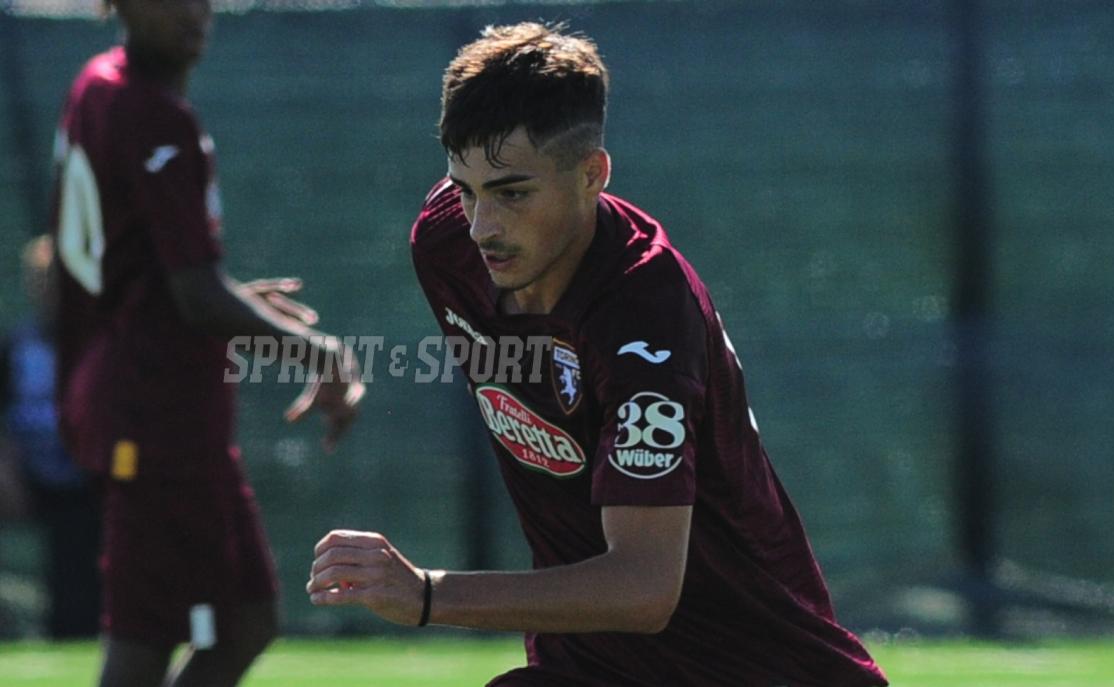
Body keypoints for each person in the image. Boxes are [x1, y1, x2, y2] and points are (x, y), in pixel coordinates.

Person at [308, 22, 887, 687]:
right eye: (465, 189)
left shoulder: (644, 319)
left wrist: (427, 594)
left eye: (512, 192)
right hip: (595, 668)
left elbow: (643, 586)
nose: (483, 226)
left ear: (592, 174)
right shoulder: (447, 250)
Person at [52, 0, 364, 685]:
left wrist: (235, 300)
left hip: (166, 409)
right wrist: (320, 352)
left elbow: (146, 273)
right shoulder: (146, 110)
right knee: (145, 638)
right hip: (151, 413)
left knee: (246, 618)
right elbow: (194, 294)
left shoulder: (99, 84)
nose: (192, 11)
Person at [0, 235, 100, 639]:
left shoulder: (98, 343)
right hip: (27, 478)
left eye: (57, 280)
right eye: (41, 280)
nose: (49, 290)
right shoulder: (15, 347)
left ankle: (82, 628)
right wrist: (7, 475)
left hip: (87, 479)